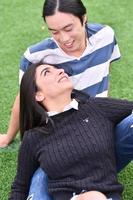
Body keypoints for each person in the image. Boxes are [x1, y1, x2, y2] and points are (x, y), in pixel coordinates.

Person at [1, 0, 133, 198]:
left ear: (84, 18)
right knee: (41, 180)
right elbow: (25, 99)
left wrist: (101, 117)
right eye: (54, 31)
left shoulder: (105, 37)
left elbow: (104, 73)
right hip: (54, 141)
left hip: (94, 122)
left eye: (68, 28)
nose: (63, 38)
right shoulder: (36, 56)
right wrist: (9, 136)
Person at [9, 63, 133, 200]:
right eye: (47, 72)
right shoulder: (34, 136)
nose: (61, 71)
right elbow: (20, 186)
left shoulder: (95, 107)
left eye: (57, 69)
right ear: (38, 95)